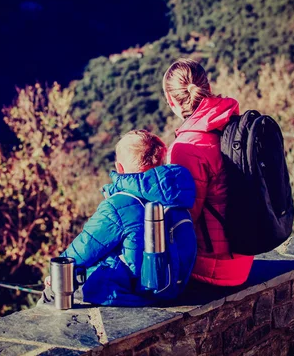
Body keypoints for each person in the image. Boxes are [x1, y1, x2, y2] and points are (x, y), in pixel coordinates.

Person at [41, 130, 196, 306]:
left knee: (50, 295)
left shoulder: (118, 205)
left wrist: (56, 274)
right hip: (171, 287)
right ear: (161, 161)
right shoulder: (176, 196)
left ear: (119, 168)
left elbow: (86, 245)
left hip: (129, 292)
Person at [162, 58, 253, 286]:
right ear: (208, 88)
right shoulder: (234, 124)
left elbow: (183, 218)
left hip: (212, 268)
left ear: (170, 100)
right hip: (245, 257)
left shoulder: (187, 148)